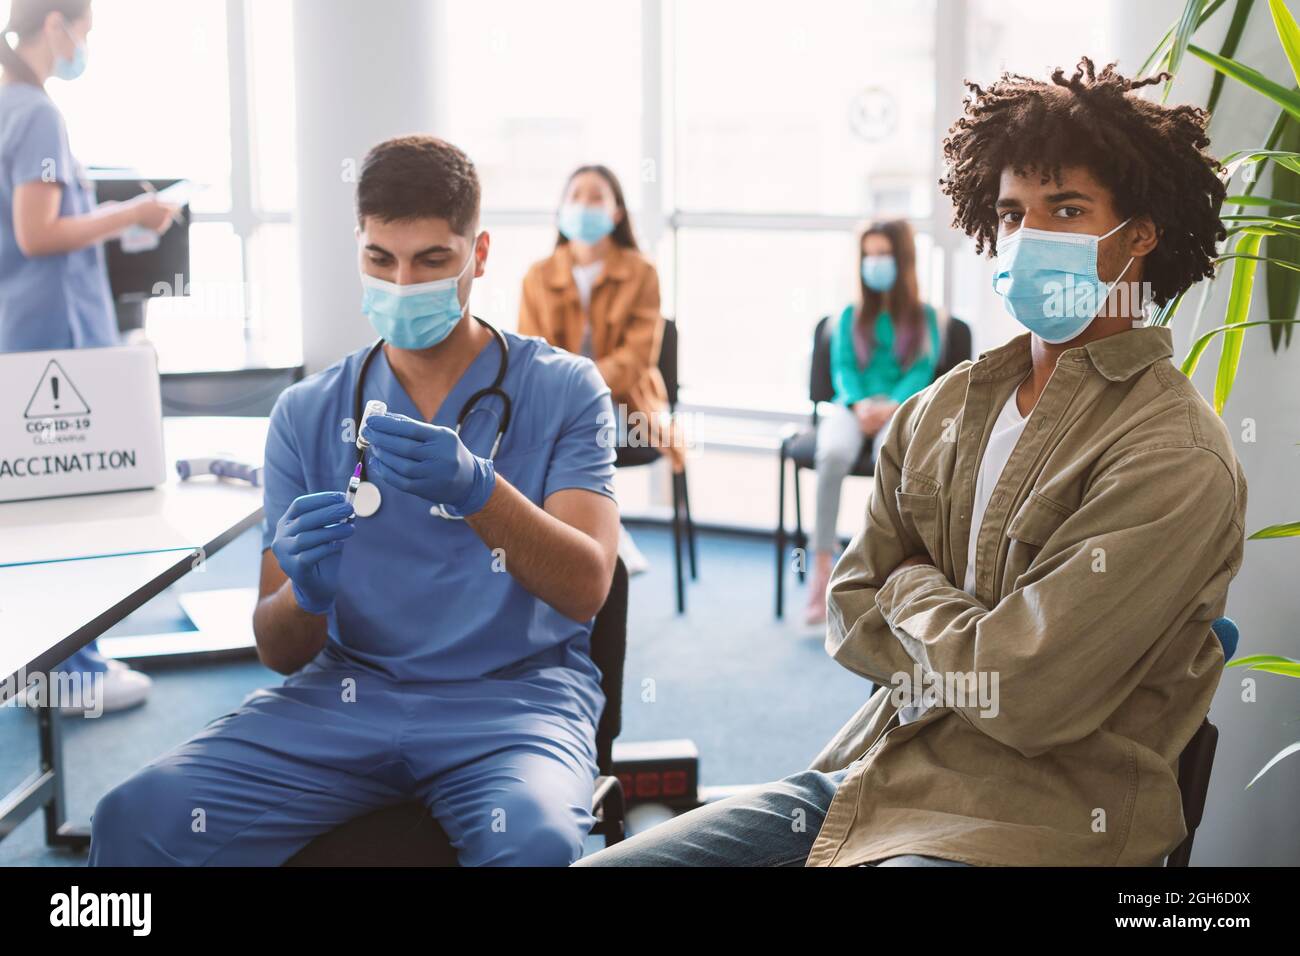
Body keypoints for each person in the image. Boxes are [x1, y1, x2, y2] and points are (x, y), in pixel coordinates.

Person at [576, 58, 1245, 867]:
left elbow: (1023, 697)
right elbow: (850, 616)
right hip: (870, 775)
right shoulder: (945, 406)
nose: (1030, 237)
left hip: (1035, 820)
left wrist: (911, 586)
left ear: (1140, 233)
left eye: (1066, 210)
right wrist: (961, 638)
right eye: (1012, 213)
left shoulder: (1173, 455)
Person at [88, 136, 621, 866]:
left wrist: (479, 490)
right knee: (132, 822)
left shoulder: (564, 390)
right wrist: (305, 591)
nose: (403, 284)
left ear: (480, 253)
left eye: (432, 260)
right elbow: (278, 649)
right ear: (359, 250)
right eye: (381, 259)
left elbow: (588, 586)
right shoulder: (307, 414)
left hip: (512, 706)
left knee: (527, 846)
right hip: (346, 700)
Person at [0, 0, 176, 713]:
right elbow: (38, 234)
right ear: (55, 26)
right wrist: (133, 214)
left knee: (38, 507)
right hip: (51, 338)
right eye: (84, 34)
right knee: (67, 509)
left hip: (26, 332)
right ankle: (72, 670)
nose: (82, 49)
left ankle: (59, 663)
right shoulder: (35, 112)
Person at [519, 164, 675, 574]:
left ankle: (595, 536)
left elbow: (637, 359)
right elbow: (531, 355)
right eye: (575, 196)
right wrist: (568, 391)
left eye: (596, 197)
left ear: (617, 212)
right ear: (560, 209)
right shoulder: (537, 276)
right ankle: (595, 535)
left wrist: (579, 387)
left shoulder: (643, 272)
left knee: (580, 426)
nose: (584, 206)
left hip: (629, 405)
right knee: (540, 428)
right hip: (555, 402)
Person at [804, 220, 941, 626]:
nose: (875, 263)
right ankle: (822, 566)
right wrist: (859, 404)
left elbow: (922, 370)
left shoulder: (924, 316)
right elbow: (842, 369)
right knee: (832, 455)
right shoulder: (849, 315)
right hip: (852, 407)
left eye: (884, 254)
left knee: (892, 456)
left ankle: (877, 568)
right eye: (869, 255)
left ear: (902, 260)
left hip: (898, 410)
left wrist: (891, 406)